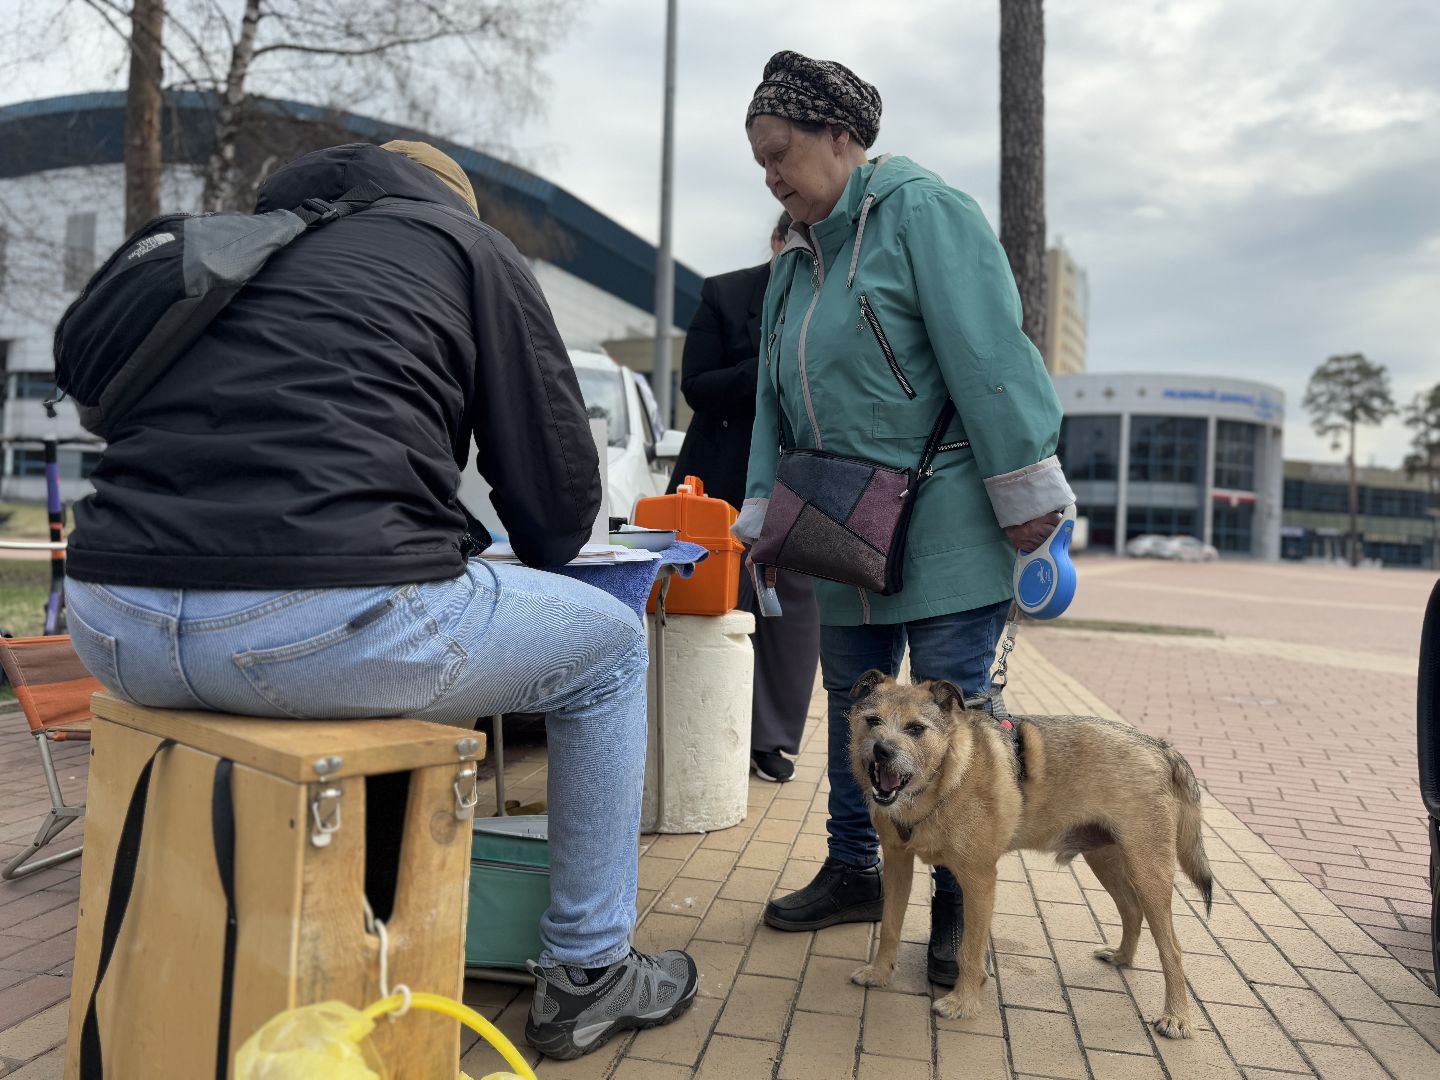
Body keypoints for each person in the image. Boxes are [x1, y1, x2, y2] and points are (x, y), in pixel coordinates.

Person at [62, 140, 696, 1061]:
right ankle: (590, 972)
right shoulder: (467, 248)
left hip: (111, 619)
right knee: (607, 647)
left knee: (401, 612)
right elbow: (560, 520)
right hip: (310, 628)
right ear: (453, 201)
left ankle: (318, 922)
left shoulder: (246, 246)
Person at [733, 51, 1074, 987]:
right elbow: (771, 402)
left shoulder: (920, 213)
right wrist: (762, 506)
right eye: (759, 158)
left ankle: (960, 905)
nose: (770, 173)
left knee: (958, 713)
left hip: (948, 515)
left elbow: (987, 350)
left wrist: (1025, 488)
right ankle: (853, 870)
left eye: (782, 152)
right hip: (840, 523)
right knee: (859, 711)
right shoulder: (796, 257)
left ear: (841, 139)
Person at [667, 211, 820, 784]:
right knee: (720, 602)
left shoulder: (836, 299)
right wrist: (771, 367)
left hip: (803, 477)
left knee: (794, 611)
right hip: (722, 478)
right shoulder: (725, 293)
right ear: (777, 239)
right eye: (794, 240)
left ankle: (772, 739)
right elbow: (696, 385)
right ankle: (706, 725)